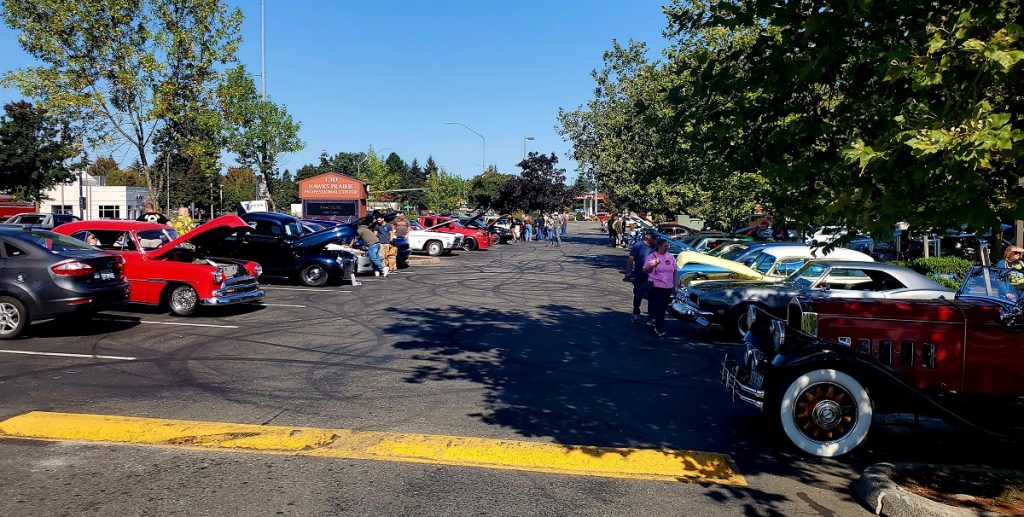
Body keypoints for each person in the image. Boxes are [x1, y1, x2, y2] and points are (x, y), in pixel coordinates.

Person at [643, 239, 679, 338]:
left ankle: (657, 322)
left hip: (668, 287)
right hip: (656, 286)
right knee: (658, 307)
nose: (667, 247)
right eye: (665, 246)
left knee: (663, 308)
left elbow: (675, 272)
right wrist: (654, 264)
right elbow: (645, 269)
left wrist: (676, 287)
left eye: (668, 246)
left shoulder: (670, 256)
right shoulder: (653, 256)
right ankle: (660, 327)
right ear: (659, 246)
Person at [626, 231, 656, 324]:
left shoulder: (655, 247)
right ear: (648, 237)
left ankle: (651, 317)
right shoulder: (638, 245)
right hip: (640, 276)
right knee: (638, 296)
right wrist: (629, 271)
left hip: (652, 277)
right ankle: (636, 314)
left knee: (652, 297)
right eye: (654, 238)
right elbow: (631, 259)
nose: (655, 240)